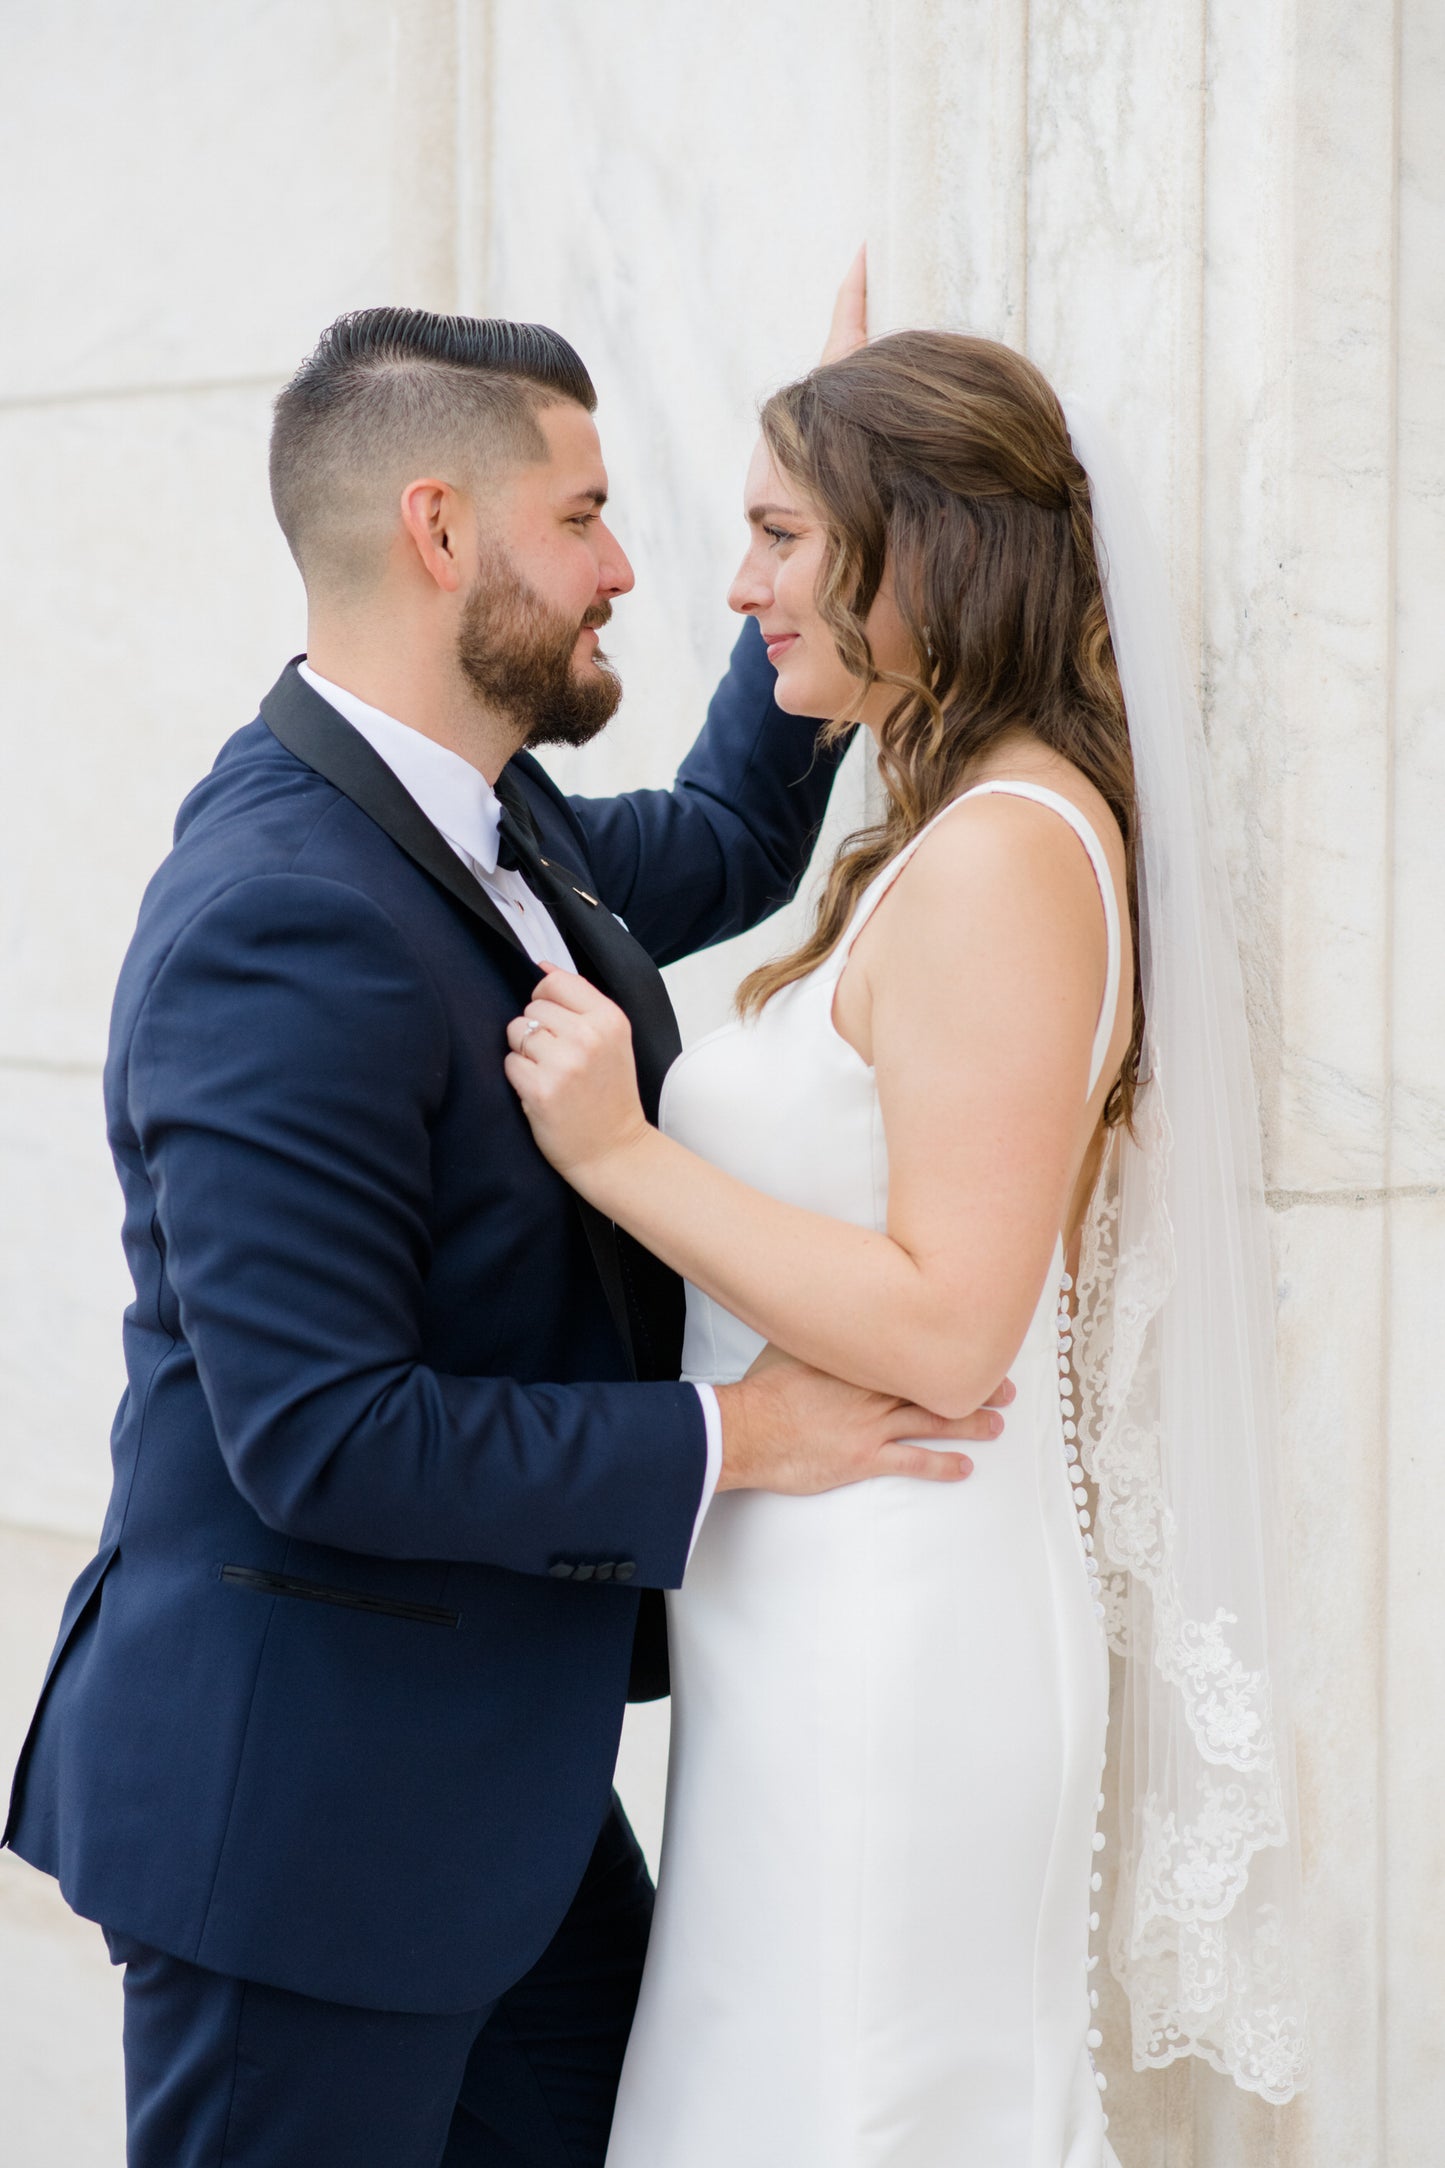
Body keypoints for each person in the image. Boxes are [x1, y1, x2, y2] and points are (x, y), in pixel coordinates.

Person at [2, 302, 1009, 2168]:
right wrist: (741, 1436)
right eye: (590, 515)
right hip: (298, 1831)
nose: (634, 569)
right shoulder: (279, 913)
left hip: (488, 1798)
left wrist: (830, 554)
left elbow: (721, 834)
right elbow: (318, 1432)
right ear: (441, 530)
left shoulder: (483, 815)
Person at [506, 327, 1310, 2162]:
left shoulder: (1011, 853)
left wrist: (617, 1153)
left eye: (784, 534)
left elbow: (956, 1324)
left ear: (925, 549)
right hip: (803, 1625)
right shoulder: (945, 828)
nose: (738, 586)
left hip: (897, 1622)